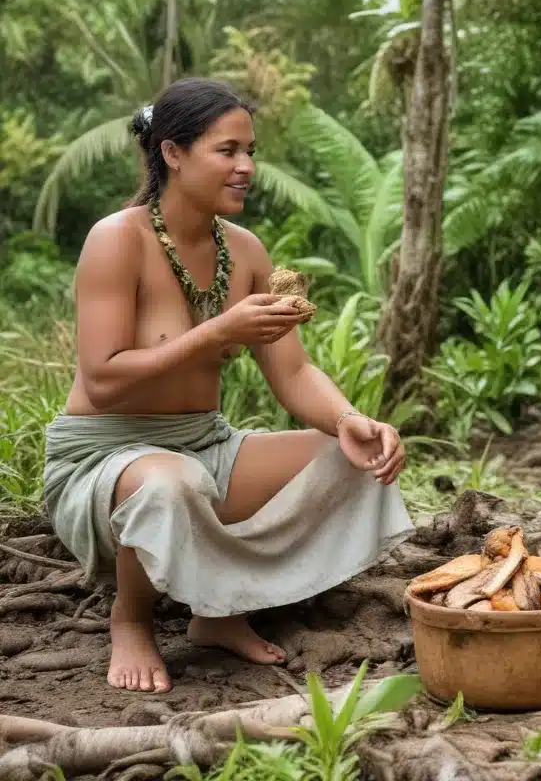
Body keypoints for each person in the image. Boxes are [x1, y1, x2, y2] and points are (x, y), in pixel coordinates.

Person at [43, 78, 413, 694]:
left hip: (203, 444)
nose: (246, 167)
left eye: (251, 150)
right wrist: (216, 331)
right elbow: (103, 381)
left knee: (349, 458)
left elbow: (292, 373)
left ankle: (216, 611)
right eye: (227, 150)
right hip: (104, 461)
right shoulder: (117, 239)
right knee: (172, 482)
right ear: (173, 153)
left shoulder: (243, 251)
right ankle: (131, 619)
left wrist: (348, 419)